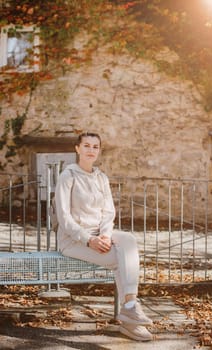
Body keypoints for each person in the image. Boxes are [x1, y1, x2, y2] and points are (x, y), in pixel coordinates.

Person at [55, 132, 153, 341]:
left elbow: (109, 212)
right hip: (73, 240)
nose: (91, 150)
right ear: (77, 149)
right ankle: (130, 319)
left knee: (129, 240)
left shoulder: (101, 177)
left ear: (99, 150)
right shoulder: (68, 176)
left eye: (95, 147)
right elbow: (63, 217)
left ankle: (129, 306)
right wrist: (88, 239)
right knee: (120, 260)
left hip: (99, 235)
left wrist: (106, 236)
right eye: (87, 146)